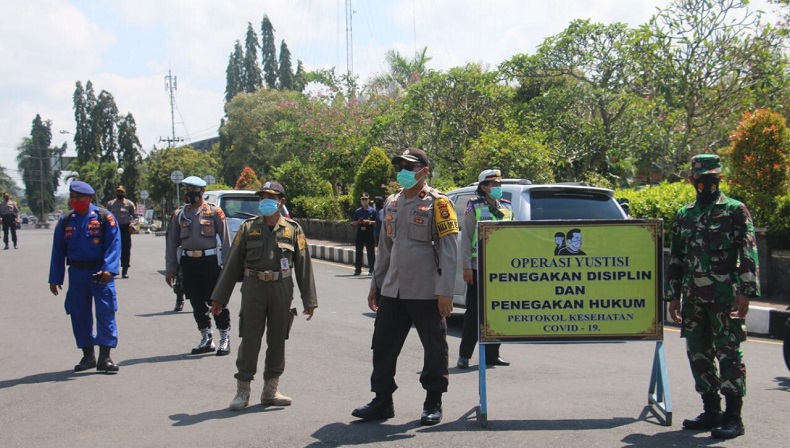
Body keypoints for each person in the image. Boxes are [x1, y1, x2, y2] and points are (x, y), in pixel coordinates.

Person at [352, 147, 459, 426]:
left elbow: (449, 250)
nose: (403, 171)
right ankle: (382, 400)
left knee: (434, 347)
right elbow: (385, 247)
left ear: (424, 171)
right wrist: (376, 283)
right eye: (399, 166)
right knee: (383, 345)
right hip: (393, 289)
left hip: (426, 290)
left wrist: (446, 291)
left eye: (409, 167)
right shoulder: (392, 201)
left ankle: (433, 401)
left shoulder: (439, 203)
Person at [666, 154, 759, 440]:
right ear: (691, 180)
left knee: (729, 353)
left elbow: (748, 251)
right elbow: (677, 257)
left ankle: (733, 418)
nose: (706, 184)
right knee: (698, 353)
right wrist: (673, 296)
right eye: (700, 179)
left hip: (724, 297)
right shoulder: (684, 214)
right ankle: (711, 411)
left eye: (712, 178)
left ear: (720, 179)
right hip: (693, 298)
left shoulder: (734, 210)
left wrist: (745, 292)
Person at [210, 181, 317, 410]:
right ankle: (242, 391)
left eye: (270, 197)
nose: (265, 201)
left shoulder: (293, 229)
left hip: (281, 288)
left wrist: (309, 300)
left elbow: (303, 265)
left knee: (277, 339)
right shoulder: (248, 228)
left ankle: (270, 390)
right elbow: (232, 264)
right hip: (254, 288)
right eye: (262, 197)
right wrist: (219, 298)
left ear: (281, 201)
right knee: (250, 339)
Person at [48, 181, 121, 373]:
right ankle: (88, 356)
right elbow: (58, 251)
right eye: (72, 197)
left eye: (79, 197)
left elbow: (114, 245)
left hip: (100, 273)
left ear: (89, 198)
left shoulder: (104, 217)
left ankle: (105, 357)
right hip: (77, 273)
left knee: (106, 312)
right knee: (79, 313)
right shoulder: (66, 221)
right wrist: (55, 278)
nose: (75, 201)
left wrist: (109, 269)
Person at [165, 176, 232, 356]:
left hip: (209, 262)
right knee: (196, 302)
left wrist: (228, 268)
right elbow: (172, 243)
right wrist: (170, 269)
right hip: (188, 263)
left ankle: (224, 337)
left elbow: (226, 240)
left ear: (202, 191)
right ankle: (206, 337)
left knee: (216, 300)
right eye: (187, 189)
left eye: (193, 190)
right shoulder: (180, 214)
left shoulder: (214, 212)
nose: (190, 193)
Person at [457, 169, 512, 370]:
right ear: (484, 187)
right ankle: (464, 355)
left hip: (500, 268)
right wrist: (466, 266)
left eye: (499, 184)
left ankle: (493, 354)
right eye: (493, 184)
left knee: (496, 311)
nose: (498, 187)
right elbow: (466, 237)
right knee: (473, 314)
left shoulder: (507, 206)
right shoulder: (474, 206)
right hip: (478, 266)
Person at [106, 185, 136, 278]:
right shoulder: (110, 204)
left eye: (121, 193)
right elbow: (106, 216)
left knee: (125, 250)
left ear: (124, 194)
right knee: (113, 249)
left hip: (125, 229)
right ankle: (113, 270)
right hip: (114, 229)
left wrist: (132, 225)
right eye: (118, 192)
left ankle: (125, 270)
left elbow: (135, 217)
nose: (120, 194)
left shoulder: (129, 204)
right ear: (116, 193)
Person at [351, 192, 377, 275]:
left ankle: (372, 270)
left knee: (371, 252)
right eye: (362, 200)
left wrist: (369, 222)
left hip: (369, 232)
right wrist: (358, 222)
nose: (364, 201)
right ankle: (357, 270)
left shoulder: (373, 211)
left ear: (368, 200)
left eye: (365, 200)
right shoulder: (358, 211)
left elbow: (377, 222)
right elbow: (353, 223)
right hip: (360, 233)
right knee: (358, 252)